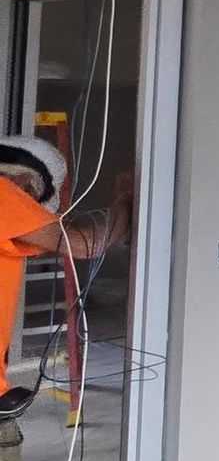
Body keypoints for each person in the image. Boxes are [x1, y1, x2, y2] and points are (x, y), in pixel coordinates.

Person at [0, 136, 133, 417]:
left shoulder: (10, 215)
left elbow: (59, 231)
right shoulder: (4, 195)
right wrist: (124, 197)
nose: (33, 209)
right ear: (25, 182)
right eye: (34, 200)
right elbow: (86, 244)